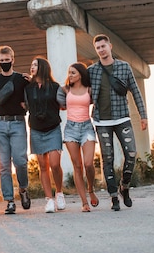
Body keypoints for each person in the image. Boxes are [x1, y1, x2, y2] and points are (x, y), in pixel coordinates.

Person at [88, 34, 148, 211]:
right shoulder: (92, 70)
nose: (101, 50)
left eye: (103, 46)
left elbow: (135, 92)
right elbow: (78, 87)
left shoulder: (124, 67)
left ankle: (125, 186)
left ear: (110, 46)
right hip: (101, 120)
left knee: (131, 154)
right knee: (108, 158)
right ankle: (114, 197)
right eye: (98, 48)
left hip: (122, 117)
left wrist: (143, 115)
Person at [0, 45, 30, 214]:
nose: (5, 63)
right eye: (2, 61)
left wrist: (34, 79)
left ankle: (23, 189)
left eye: (7, 60)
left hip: (18, 123)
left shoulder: (22, 79)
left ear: (13, 60)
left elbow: (32, 97)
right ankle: (9, 201)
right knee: (3, 165)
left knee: (20, 160)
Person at [24, 56, 64, 213]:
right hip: (36, 129)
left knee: (54, 164)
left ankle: (59, 193)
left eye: (35, 65)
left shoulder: (55, 86)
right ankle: (49, 199)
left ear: (43, 67)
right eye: (31, 64)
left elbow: (63, 104)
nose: (32, 67)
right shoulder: (28, 88)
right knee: (43, 166)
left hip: (53, 128)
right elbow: (25, 104)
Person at [58, 62, 98, 212]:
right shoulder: (65, 90)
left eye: (73, 72)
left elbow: (98, 102)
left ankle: (91, 189)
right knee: (77, 166)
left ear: (81, 74)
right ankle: (84, 203)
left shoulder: (89, 90)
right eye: (69, 72)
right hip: (70, 129)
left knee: (88, 163)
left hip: (87, 127)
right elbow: (58, 102)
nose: (70, 75)